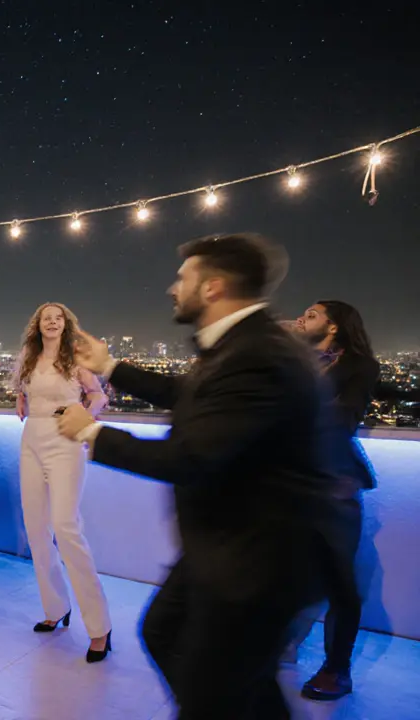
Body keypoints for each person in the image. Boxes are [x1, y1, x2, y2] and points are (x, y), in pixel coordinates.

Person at [56, 234, 347, 719]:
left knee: (213, 686)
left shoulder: (260, 355)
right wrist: (110, 366)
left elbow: (191, 458)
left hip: (261, 562)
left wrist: (92, 433)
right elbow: (194, 396)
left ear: (212, 287)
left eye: (182, 278)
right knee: (168, 634)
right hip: (228, 546)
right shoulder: (241, 345)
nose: (173, 289)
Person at [288, 300, 381, 700]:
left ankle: (336, 669)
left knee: (339, 581)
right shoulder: (300, 361)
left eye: (311, 314)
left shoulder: (358, 364)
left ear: (334, 326)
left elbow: (344, 419)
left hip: (333, 483)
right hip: (290, 481)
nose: (300, 318)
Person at [13, 302, 113, 661]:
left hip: (65, 438)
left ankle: (100, 627)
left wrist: (83, 415)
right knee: (36, 529)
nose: (52, 322)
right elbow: (23, 387)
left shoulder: (74, 358)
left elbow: (99, 394)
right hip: (31, 439)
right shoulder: (28, 356)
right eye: (46, 317)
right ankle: (55, 608)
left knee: (66, 527)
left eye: (58, 317)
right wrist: (21, 398)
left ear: (65, 324)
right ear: (37, 325)